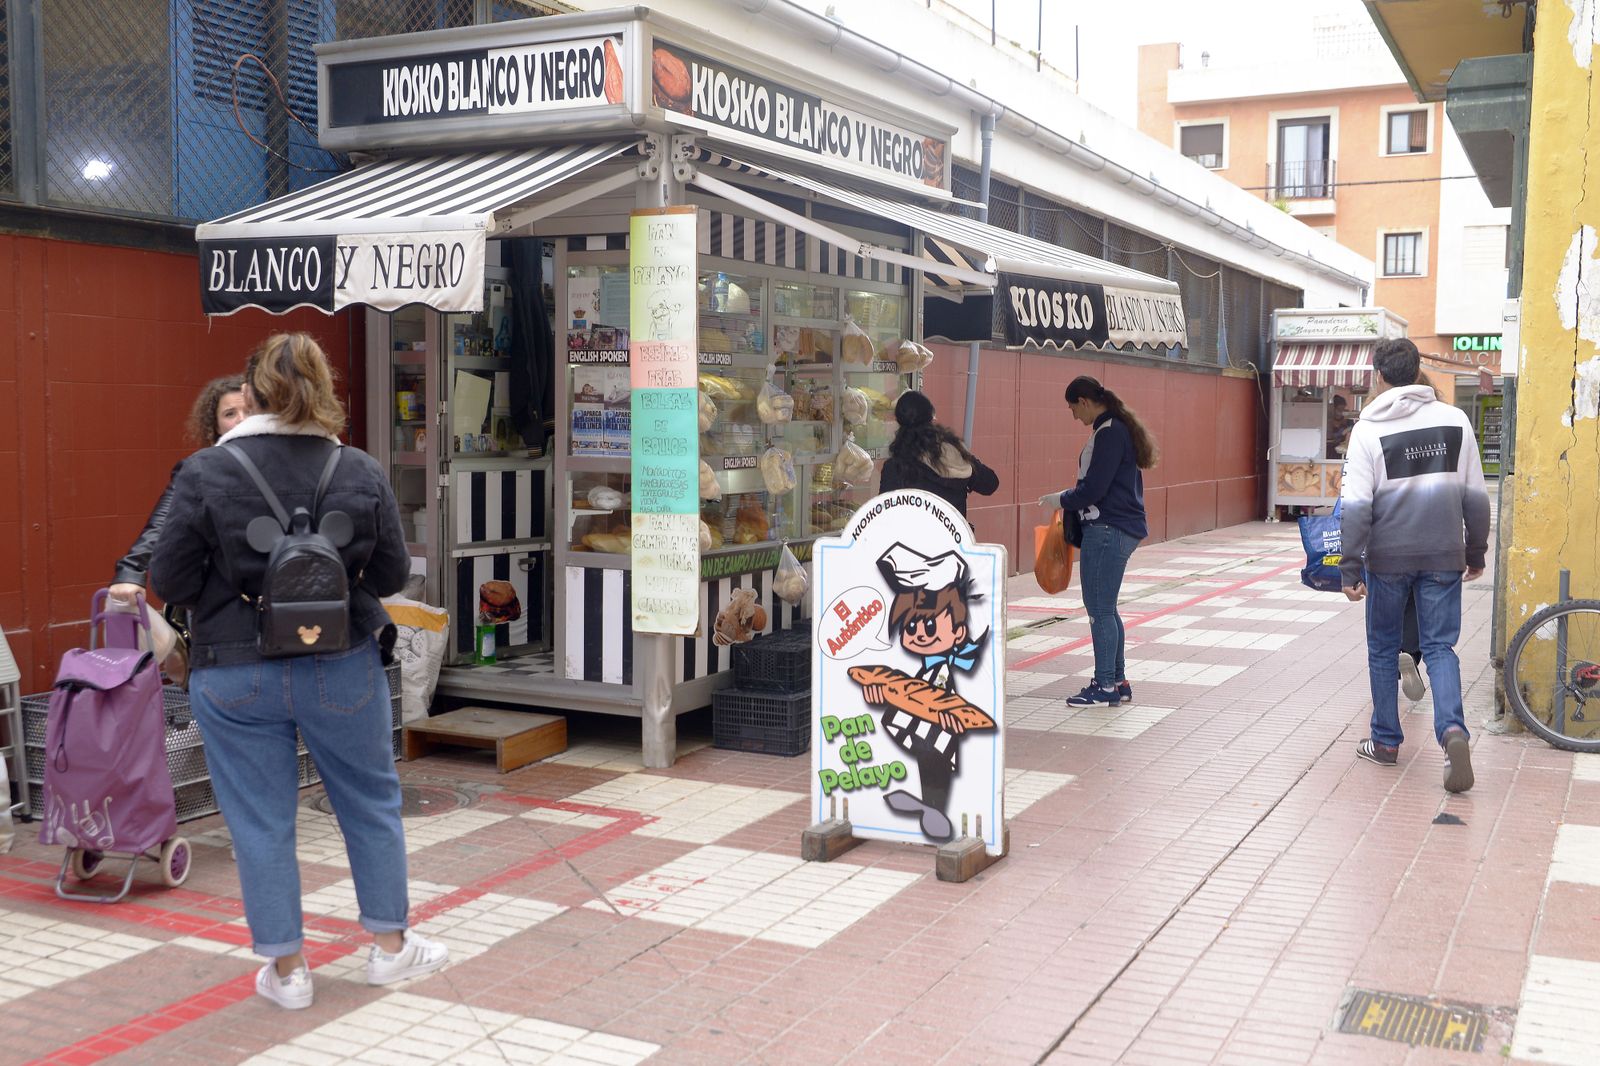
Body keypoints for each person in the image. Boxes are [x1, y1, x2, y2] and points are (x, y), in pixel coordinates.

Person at [151, 334, 447, 1010]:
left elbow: (168, 578)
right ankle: (391, 950)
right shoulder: (360, 469)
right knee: (370, 805)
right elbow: (394, 573)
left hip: (233, 672)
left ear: (250, 393)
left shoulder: (204, 472)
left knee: (260, 821)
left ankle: (288, 973)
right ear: (325, 390)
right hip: (341, 664)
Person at [1339, 337, 1490, 793]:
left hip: (1388, 557)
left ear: (1380, 377)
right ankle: (1452, 733)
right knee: (1441, 648)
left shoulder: (1368, 429)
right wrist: (1476, 550)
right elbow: (1476, 495)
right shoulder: (1456, 420)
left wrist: (1349, 567)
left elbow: (1357, 505)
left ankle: (1385, 742)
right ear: (1419, 370)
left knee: (1384, 648)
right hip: (1443, 552)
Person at [1038, 376, 1158, 707]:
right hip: (1119, 527)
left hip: (1107, 529)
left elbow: (1094, 489)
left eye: (1073, 408)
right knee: (1107, 608)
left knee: (1099, 610)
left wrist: (1060, 499)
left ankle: (1104, 687)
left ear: (1085, 401)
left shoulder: (1109, 433)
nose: (1074, 416)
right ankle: (1117, 681)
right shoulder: (1116, 428)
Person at [107, 376, 247, 603]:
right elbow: (164, 518)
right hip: (220, 594)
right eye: (230, 414)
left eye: (248, 411)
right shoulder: (202, 468)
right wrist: (131, 570)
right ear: (216, 425)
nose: (241, 420)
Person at [878, 391, 999, 517]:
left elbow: (884, 515)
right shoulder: (955, 455)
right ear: (931, 417)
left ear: (898, 421)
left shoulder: (894, 467)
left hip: (912, 536)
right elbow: (990, 484)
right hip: (953, 535)